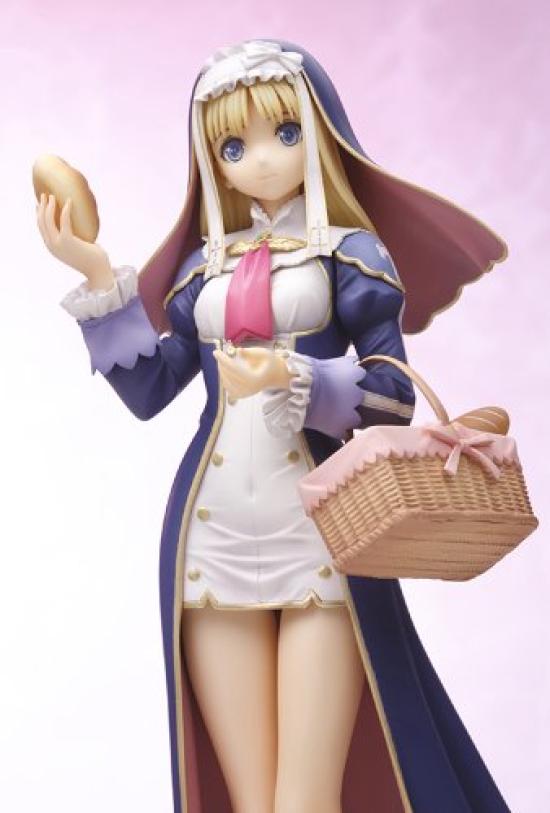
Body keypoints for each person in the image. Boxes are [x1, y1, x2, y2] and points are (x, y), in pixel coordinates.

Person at [36, 38, 511, 813]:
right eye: (233, 145)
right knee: (248, 799)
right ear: (211, 160)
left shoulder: (349, 255)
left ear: (318, 132)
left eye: (283, 133)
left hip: (325, 540)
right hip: (212, 540)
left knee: (304, 799)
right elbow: (151, 389)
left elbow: (394, 395)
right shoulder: (203, 269)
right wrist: (96, 276)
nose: (259, 159)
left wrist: (303, 380)